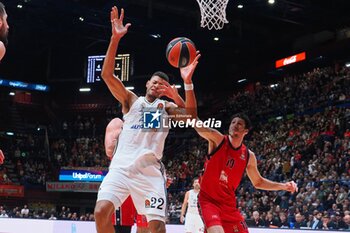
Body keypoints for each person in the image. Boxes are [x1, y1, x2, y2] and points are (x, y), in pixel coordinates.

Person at [94, 5, 199, 233]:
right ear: (146, 84)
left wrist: (186, 83)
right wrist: (115, 39)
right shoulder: (132, 101)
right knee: (101, 212)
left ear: (165, 89)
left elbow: (192, 116)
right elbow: (107, 75)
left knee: (156, 228)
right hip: (121, 169)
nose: (156, 84)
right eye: (153, 81)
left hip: (149, 173)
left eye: (161, 83)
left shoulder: (166, 108)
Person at [192, 112, 298, 233]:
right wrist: (182, 96)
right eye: (233, 122)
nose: (235, 125)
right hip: (208, 201)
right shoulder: (218, 139)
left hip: (229, 206)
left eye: (239, 123)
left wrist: (283, 186)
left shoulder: (248, 156)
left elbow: (258, 182)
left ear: (246, 131)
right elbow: (196, 122)